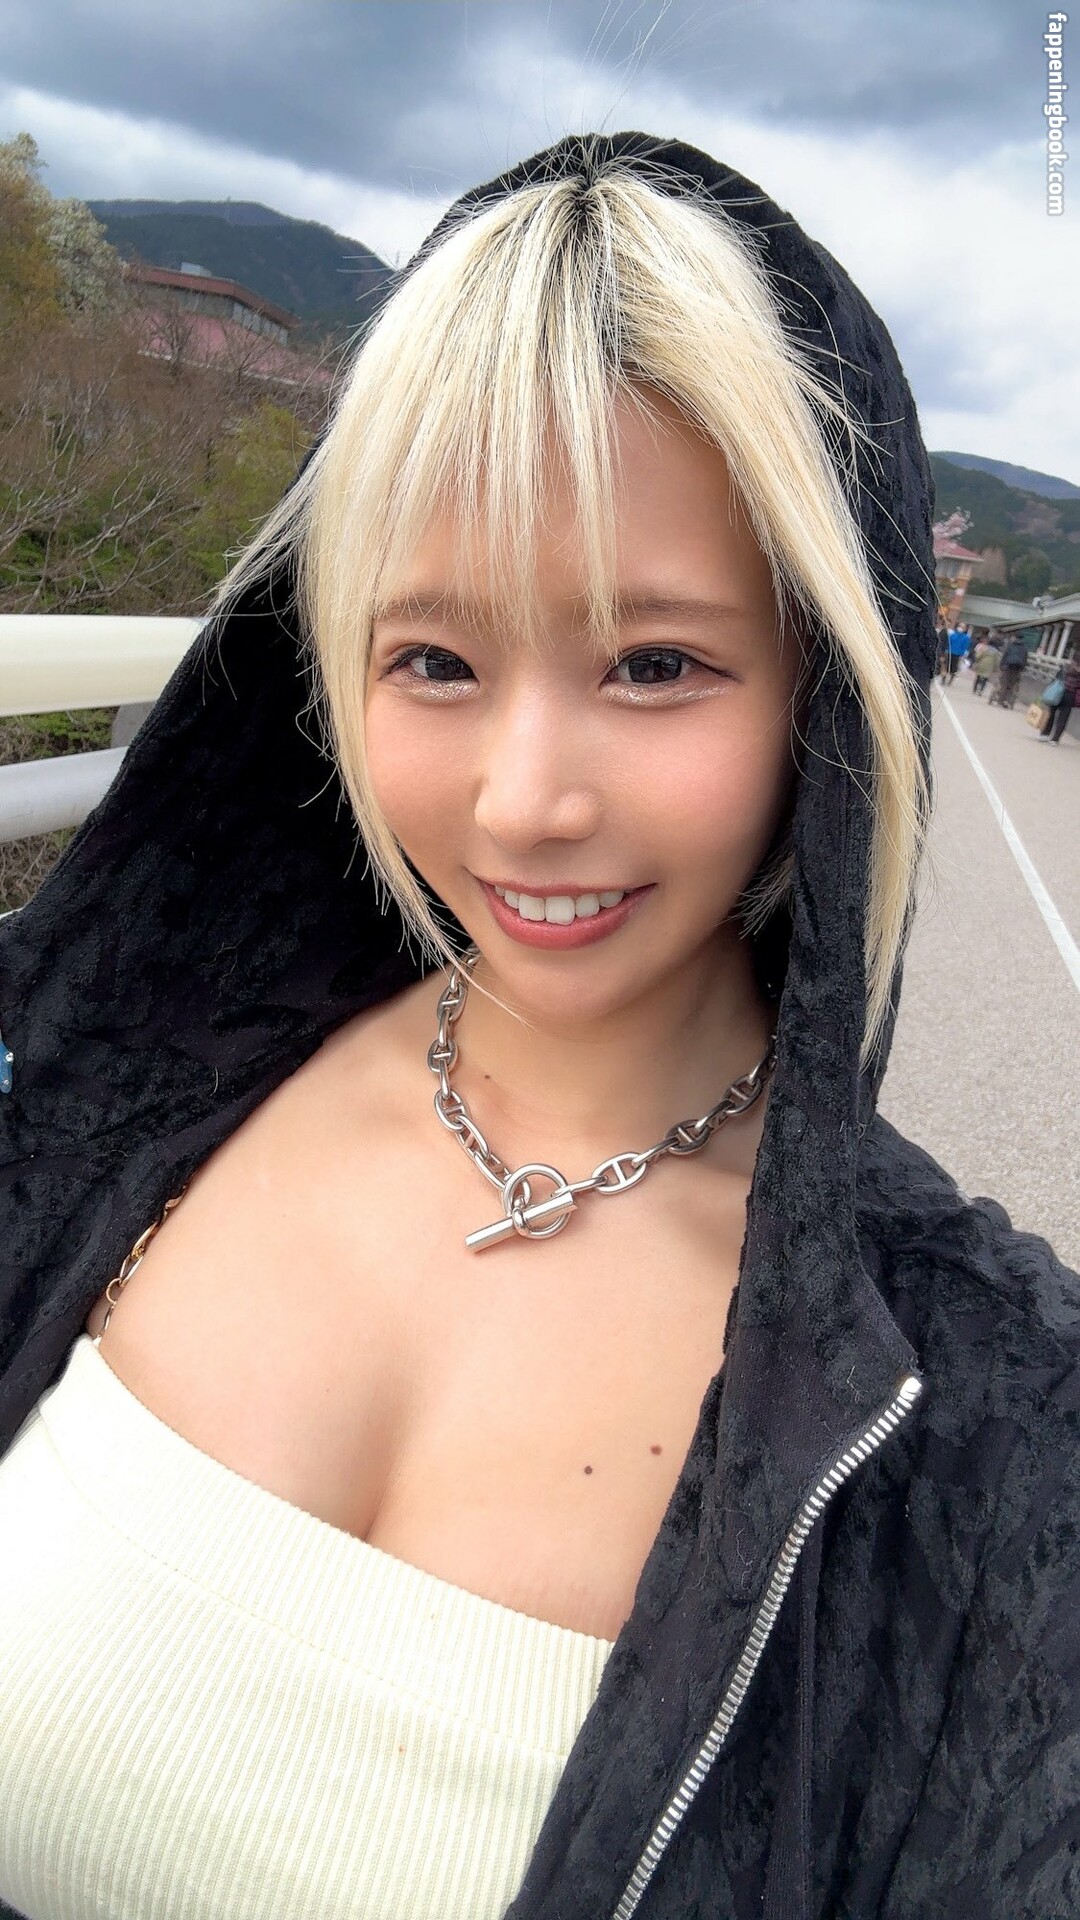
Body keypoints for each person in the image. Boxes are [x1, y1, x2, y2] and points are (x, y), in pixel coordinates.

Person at [0, 132, 1077, 1920]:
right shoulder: (101, 1084)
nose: (522, 803)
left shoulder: (981, 1424)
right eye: (433, 660)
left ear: (824, 692)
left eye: (655, 664)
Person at [1046, 657, 1080, 742]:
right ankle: (1055, 739)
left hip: (1058, 692)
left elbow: (1057, 677)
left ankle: (1045, 733)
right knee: (1063, 718)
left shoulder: (1065, 667)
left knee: (1052, 713)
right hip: (1070, 695)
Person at [994, 631, 1029, 708]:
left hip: (1007, 667)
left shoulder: (1010, 646)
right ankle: (1008, 701)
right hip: (1017, 668)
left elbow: (1005, 656)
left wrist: (1001, 665)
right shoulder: (1024, 648)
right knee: (1012, 685)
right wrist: (1022, 668)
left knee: (1004, 684)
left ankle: (1001, 700)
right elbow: (1025, 659)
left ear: (1015, 637)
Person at [971, 631, 1001, 695]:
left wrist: (976, 661)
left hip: (982, 664)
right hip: (989, 667)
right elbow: (996, 661)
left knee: (978, 676)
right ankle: (981, 690)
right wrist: (995, 669)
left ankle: (975, 689)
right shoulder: (996, 652)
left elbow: (978, 656)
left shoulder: (984, 648)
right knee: (985, 679)